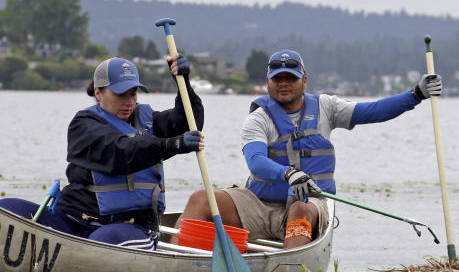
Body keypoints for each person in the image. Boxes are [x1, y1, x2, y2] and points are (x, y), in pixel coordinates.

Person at [175, 49, 442, 249]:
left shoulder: (327, 107)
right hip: (261, 206)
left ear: (304, 80)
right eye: (277, 78)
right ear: (267, 82)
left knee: (300, 209)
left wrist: (416, 94)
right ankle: (179, 267)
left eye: (290, 78)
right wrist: (289, 173)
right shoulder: (258, 118)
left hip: (309, 206)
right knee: (201, 199)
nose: (283, 84)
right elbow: (255, 161)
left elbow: (373, 111)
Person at [0, 54, 204, 249]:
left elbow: (189, 122)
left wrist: (182, 81)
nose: (129, 101)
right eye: (120, 94)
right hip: (74, 221)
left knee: (100, 241)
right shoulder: (83, 125)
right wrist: (170, 145)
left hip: (131, 227)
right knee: (5, 208)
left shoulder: (150, 121)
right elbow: (120, 151)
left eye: (133, 94)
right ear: (98, 92)